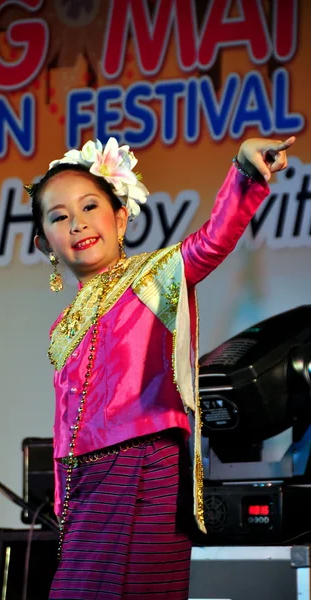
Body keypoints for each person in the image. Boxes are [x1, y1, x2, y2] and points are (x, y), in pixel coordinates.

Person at [25, 135, 295, 600]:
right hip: (87, 488)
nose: (77, 224)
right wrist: (63, 498)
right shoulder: (60, 329)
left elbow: (210, 243)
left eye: (90, 207)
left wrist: (245, 174)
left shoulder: (152, 277)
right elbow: (65, 421)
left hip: (142, 466)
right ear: (44, 241)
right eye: (59, 216)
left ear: (121, 217)